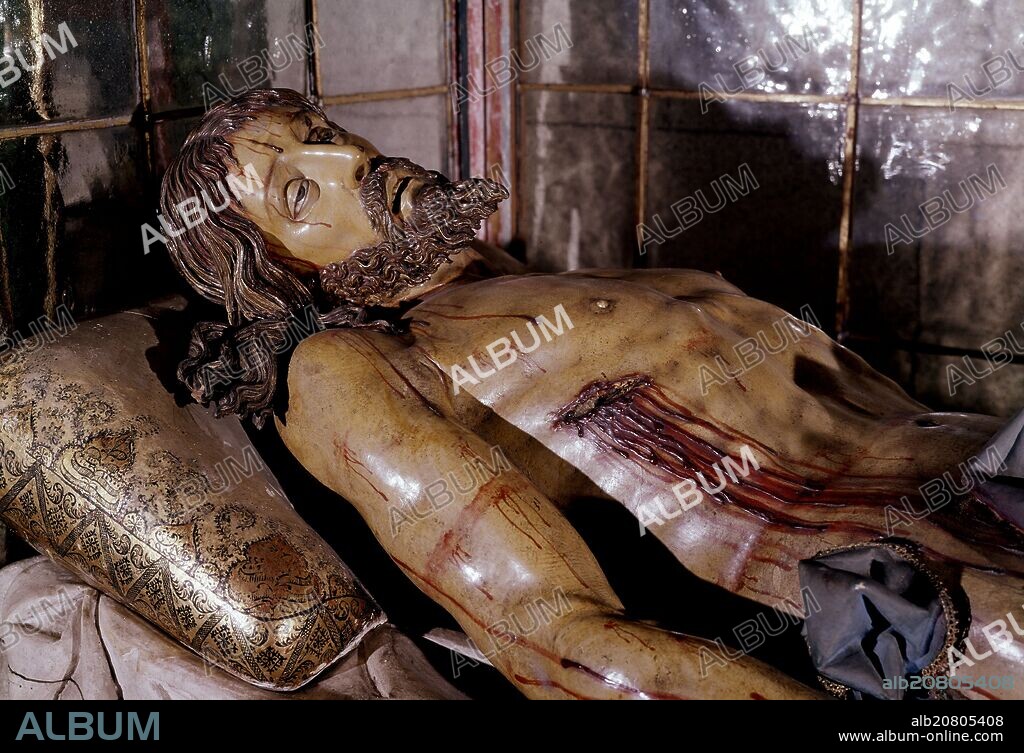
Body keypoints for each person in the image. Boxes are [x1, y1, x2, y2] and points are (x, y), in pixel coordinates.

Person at [160, 88, 1024, 699]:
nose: (351, 154)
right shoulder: (345, 369)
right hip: (934, 590)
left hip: (986, 465)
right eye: (299, 191)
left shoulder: (494, 284)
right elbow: (558, 635)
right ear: (276, 273)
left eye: (320, 129)